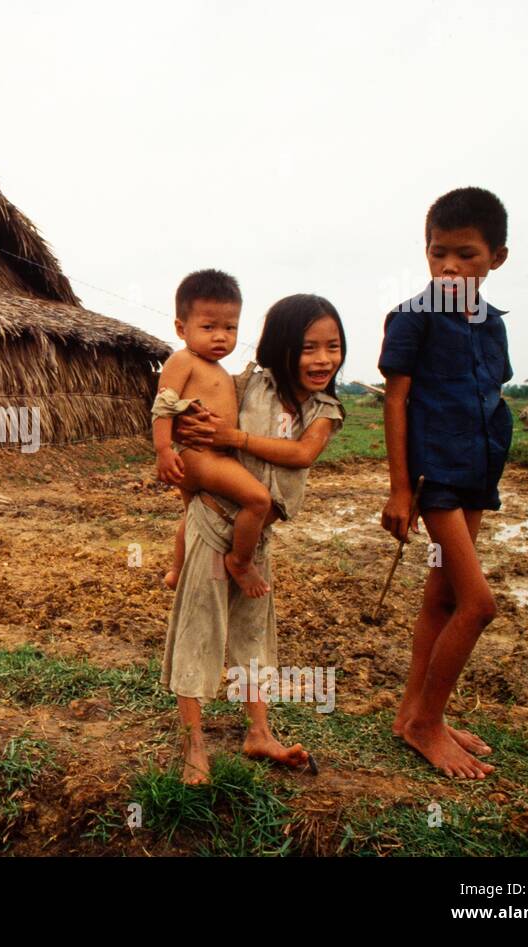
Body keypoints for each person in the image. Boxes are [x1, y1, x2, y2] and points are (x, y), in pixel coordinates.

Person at [164, 294, 346, 785]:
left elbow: (303, 454)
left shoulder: (325, 408)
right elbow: (192, 416)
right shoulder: (247, 384)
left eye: (333, 347)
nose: (322, 359)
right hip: (213, 520)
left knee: (253, 637)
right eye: (309, 347)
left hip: (256, 537)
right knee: (199, 632)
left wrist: (234, 439)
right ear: (281, 347)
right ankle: (193, 747)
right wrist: (185, 432)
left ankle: (259, 732)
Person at [378, 187, 512, 779]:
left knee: (443, 596)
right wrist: (400, 489)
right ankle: (428, 725)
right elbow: (396, 401)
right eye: (439, 254)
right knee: (479, 605)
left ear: (497, 258)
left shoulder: (492, 327)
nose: (451, 266)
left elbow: (492, 394)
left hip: (478, 474)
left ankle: (414, 713)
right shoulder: (410, 319)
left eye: (467, 255)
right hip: (436, 481)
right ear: (425, 253)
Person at [154, 270, 271, 597]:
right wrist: (164, 450)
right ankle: (240, 562)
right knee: (258, 500)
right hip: (198, 456)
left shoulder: (217, 368)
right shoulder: (182, 361)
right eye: (209, 327)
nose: (221, 336)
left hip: (204, 458)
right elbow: (163, 406)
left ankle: (177, 572)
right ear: (181, 328)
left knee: (193, 514)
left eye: (230, 327)